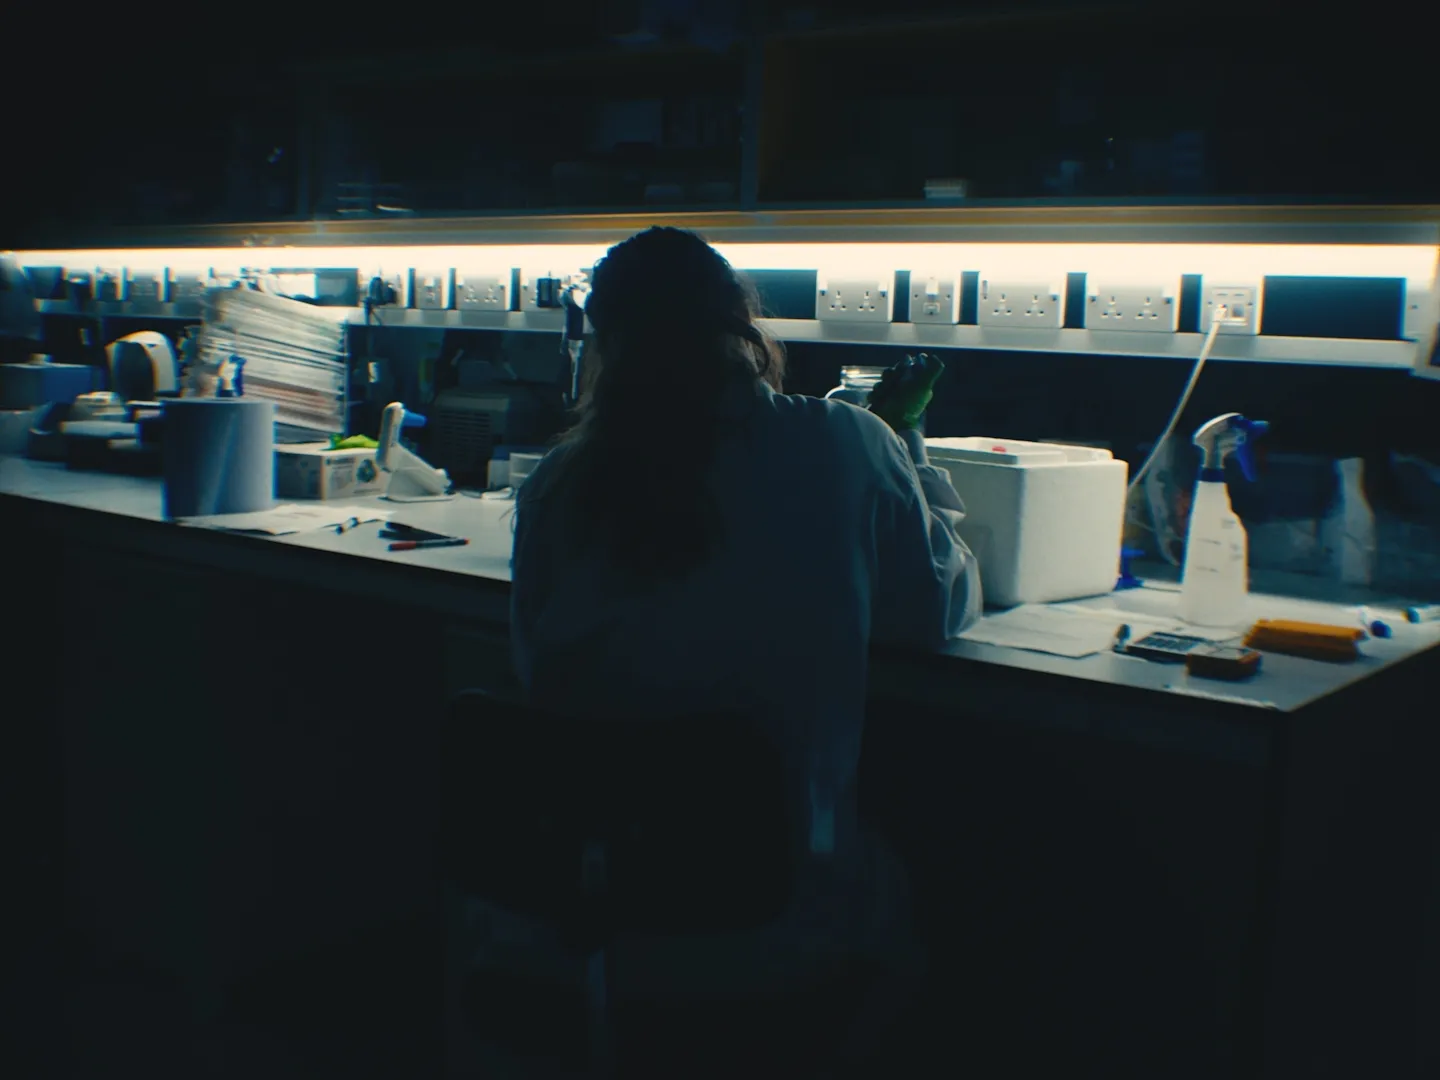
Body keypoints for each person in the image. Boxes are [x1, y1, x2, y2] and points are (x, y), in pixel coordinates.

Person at [508, 226, 981, 969]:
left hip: (594, 901)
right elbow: (934, 614)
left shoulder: (559, 485)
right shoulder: (846, 442)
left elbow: (535, 668)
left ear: (604, 341)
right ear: (740, 321)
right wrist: (903, 452)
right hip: (780, 907)